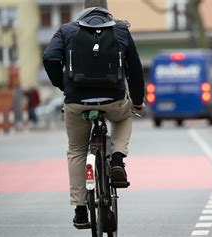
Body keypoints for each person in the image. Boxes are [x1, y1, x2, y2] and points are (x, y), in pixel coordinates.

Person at [42, 6, 144, 229]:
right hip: (113, 99)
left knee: (77, 150)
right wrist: (137, 101)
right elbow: (135, 69)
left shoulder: (66, 30)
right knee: (124, 117)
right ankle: (117, 160)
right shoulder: (121, 30)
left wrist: (63, 84)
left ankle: (80, 209)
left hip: (76, 101)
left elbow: (49, 57)